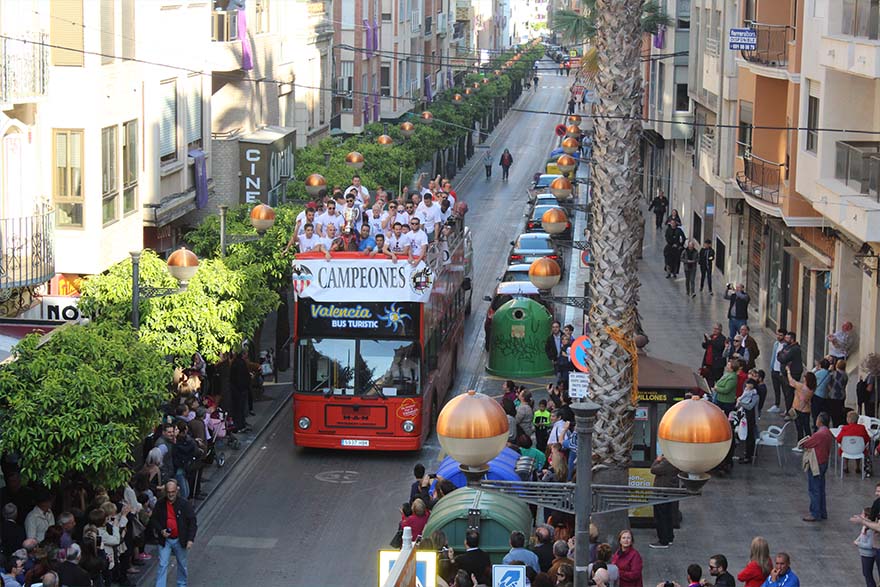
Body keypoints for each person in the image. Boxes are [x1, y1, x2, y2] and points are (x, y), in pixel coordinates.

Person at [149, 479, 196, 587]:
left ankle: (182, 584)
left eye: (173, 492)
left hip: (180, 539)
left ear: (177, 491)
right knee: (162, 564)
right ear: (166, 492)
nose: (170, 494)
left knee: (182, 563)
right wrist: (161, 530)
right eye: (169, 492)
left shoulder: (184, 504)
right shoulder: (160, 504)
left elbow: (192, 522)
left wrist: (190, 539)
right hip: (165, 540)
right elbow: (154, 519)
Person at [801, 412, 834, 522]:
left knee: (814, 488)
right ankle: (822, 512)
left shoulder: (819, 434)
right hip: (824, 461)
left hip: (817, 462)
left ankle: (815, 513)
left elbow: (807, 444)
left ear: (820, 421)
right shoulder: (827, 432)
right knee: (820, 488)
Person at [836, 410, 871, 475]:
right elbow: (867, 439)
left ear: (849, 419)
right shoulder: (862, 428)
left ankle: (846, 466)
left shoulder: (845, 428)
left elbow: (838, 439)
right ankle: (857, 466)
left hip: (846, 450)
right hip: (859, 450)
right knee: (858, 447)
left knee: (846, 447)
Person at [777, 332, 803, 416]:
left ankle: (790, 413)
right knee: (787, 393)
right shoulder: (787, 347)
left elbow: (783, 358)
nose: (785, 339)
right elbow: (781, 354)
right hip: (786, 374)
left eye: (787, 338)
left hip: (793, 374)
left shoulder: (795, 349)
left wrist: (780, 355)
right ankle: (788, 410)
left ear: (792, 339)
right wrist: (781, 355)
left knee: (789, 393)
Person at [788, 369, 816, 444]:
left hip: (798, 410)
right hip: (806, 410)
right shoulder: (812, 388)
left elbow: (791, 381)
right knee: (807, 428)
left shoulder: (801, 387)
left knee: (799, 428)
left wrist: (788, 371)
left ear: (807, 379)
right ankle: (809, 443)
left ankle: (800, 444)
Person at [854, 509, 876, 587]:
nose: (861, 515)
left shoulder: (870, 530)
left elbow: (870, 545)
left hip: (868, 555)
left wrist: (858, 543)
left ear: (867, 517)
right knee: (866, 573)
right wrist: (857, 539)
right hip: (864, 554)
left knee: (867, 574)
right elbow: (861, 535)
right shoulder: (865, 527)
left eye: (862, 514)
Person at [768, 329, 787, 414]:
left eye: (780, 335)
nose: (778, 337)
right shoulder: (776, 344)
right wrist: (772, 367)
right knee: (776, 389)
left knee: (785, 390)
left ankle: (787, 407)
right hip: (774, 370)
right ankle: (776, 405)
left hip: (782, 372)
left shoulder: (786, 346)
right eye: (778, 335)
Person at [811, 358, 832, 428]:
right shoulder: (829, 374)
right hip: (825, 395)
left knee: (815, 412)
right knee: (824, 412)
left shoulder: (818, 373)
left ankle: (815, 425)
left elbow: (811, 376)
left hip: (817, 394)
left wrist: (816, 369)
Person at [828, 359, 849, 427]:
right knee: (840, 413)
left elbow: (828, 382)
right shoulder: (845, 375)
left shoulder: (834, 374)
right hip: (842, 395)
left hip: (833, 396)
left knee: (834, 414)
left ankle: (835, 426)